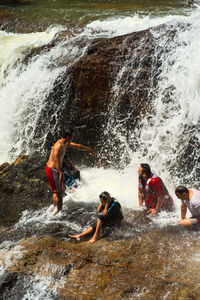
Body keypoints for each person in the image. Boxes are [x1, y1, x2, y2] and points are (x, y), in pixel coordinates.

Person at [46, 128, 96, 213]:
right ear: (68, 136)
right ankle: (59, 212)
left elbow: (77, 146)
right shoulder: (59, 145)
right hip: (53, 169)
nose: (73, 137)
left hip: (54, 169)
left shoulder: (66, 143)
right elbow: (55, 159)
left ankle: (55, 209)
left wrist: (88, 149)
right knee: (59, 192)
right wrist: (60, 172)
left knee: (57, 191)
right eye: (72, 136)